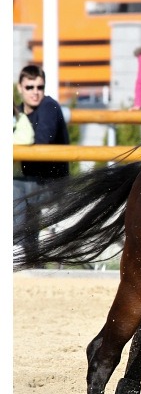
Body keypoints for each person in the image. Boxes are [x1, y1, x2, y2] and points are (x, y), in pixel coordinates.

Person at [13, 65, 70, 262]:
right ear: (20, 87)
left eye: (39, 87)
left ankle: (16, 247)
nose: (35, 92)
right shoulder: (19, 113)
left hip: (52, 184)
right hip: (32, 182)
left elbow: (42, 141)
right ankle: (28, 258)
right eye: (30, 87)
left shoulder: (49, 106)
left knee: (13, 188)